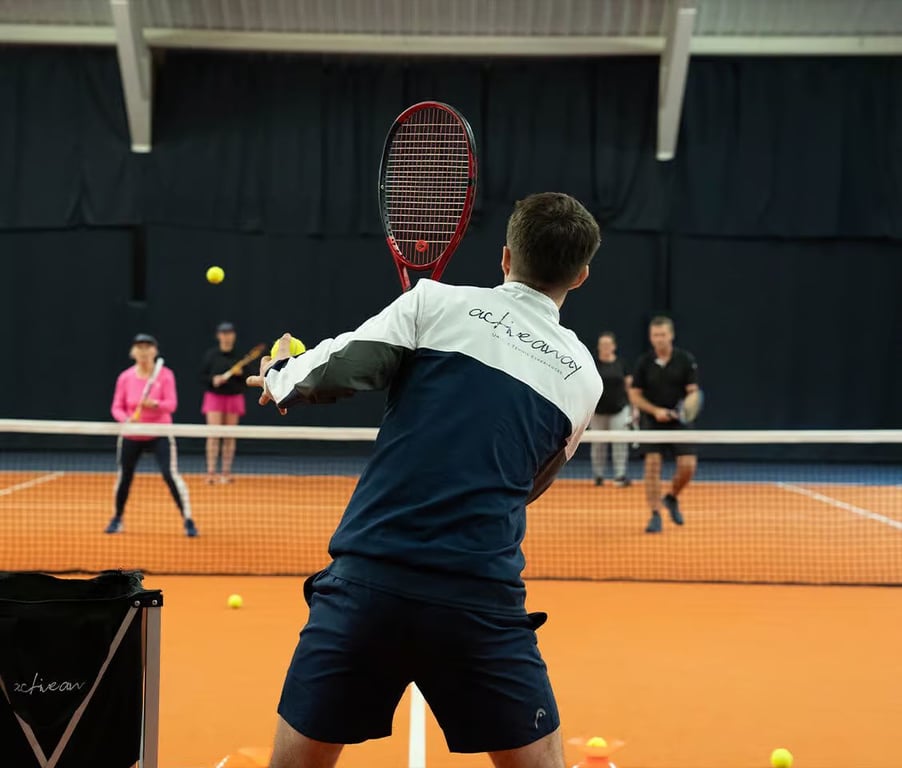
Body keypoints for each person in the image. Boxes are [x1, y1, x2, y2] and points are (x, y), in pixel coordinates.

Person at [247, 193, 603, 768]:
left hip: (370, 584)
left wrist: (280, 375)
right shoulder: (583, 377)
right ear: (581, 276)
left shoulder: (432, 302)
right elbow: (530, 482)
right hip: (480, 597)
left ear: (506, 257)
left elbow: (332, 369)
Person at [107, 334, 197, 537]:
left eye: (148, 347)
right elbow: (116, 407)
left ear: (154, 351)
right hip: (132, 434)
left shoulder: (165, 375)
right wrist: (126, 420)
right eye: (139, 347)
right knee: (124, 477)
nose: (144, 351)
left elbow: (171, 405)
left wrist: (155, 404)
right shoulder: (125, 377)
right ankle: (117, 517)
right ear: (133, 352)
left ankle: (188, 519)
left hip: (159, 432)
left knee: (170, 474)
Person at [629, 317, 699, 534]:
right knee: (652, 465)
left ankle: (671, 497)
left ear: (671, 335)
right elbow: (634, 394)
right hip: (652, 420)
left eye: (662, 334)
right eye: (655, 335)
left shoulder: (685, 360)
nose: (659, 339)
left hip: (679, 421)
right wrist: (655, 411)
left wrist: (684, 410)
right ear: (651, 337)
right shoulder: (644, 362)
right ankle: (655, 514)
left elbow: (693, 393)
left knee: (688, 466)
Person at [200, 321, 247, 484]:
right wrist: (213, 380)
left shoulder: (240, 356)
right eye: (223, 333)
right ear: (218, 336)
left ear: (233, 335)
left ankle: (226, 473)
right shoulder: (211, 355)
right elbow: (202, 377)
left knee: (229, 436)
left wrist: (241, 374)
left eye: (229, 333)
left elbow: (249, 379)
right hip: (214, 398)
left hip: (234, 398)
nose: (226, 336)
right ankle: (211, 473)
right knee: (213, 435)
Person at [590, 331, 633, 487]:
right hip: (597, 412)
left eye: (608, 344)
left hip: (619, 410)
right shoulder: (592, 363)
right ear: (599, 347)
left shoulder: (621, 364)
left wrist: (634, 410)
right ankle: (598, 476)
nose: (605, 347)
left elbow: (630, 387)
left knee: (619, 444)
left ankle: (619, 476)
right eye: (602, 344)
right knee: (598, 445)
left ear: (614, 346)